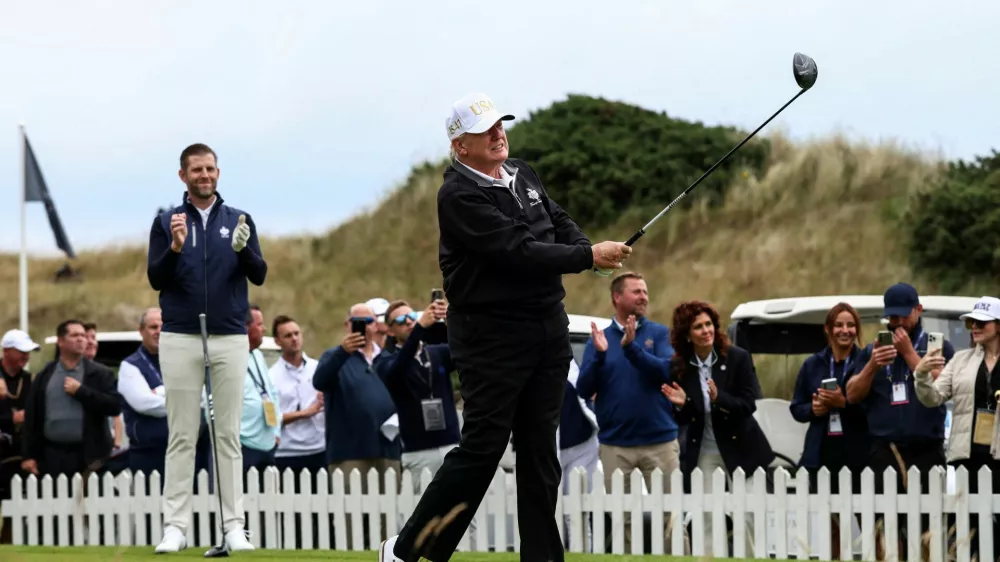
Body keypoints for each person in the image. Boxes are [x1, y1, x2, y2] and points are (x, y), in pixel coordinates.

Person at [380, 92, 631, 562]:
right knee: (483, 450)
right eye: (485, 131)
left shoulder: (523, 173)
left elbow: (557, 221)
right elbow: (518, 251)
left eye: (500, 125)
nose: (499, 135)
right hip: (490, 338)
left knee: (541, 455)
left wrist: (586, 249)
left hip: (546, 330)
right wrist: (586, 257)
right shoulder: (457, 196)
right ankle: (409, 551)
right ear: (461, 147)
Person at [146, 143, 267, 553]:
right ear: (183, 175)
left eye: (211, 168)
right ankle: (175, 527)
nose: (205, 175)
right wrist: (176, 246)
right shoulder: (166, 222)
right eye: (196, 169)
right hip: (180, 334)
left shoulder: (239, 220)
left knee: (228, 435)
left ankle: (234, 526)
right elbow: (156, 278)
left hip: (230, 334)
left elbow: (260, 274)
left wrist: (244, 249)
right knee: (182, 434)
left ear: (218, 172)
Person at [659, 300, 773, 558]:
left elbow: (749, 404)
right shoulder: (679, 366)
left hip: (743, 447)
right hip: (706, 452)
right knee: (708, 515)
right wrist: (683, 404)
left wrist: (720, 398)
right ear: (687, 335)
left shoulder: (737, 358)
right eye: (698, 327)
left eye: (708, 324)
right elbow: (687, 416)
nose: (706, 330)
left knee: (750, 515)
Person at [913, 295, 1000, 560]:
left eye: (982, 322)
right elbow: (932, 398)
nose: (974, 327)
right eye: (972, 322)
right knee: (970, 523)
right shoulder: (960, 360)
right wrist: (922, 373)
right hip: (968, 455)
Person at [788, 303, 869, 559]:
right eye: (839, 325)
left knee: (868, 521)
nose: (845, 330)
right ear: (828, 329)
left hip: (859, 453)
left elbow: (874, 409)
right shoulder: (812, 364)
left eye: (850, 325)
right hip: (822, 453)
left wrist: (842, 404)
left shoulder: (866, 361)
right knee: (831, 523)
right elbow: (796, 408)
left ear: (857, 329)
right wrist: (813, 409)